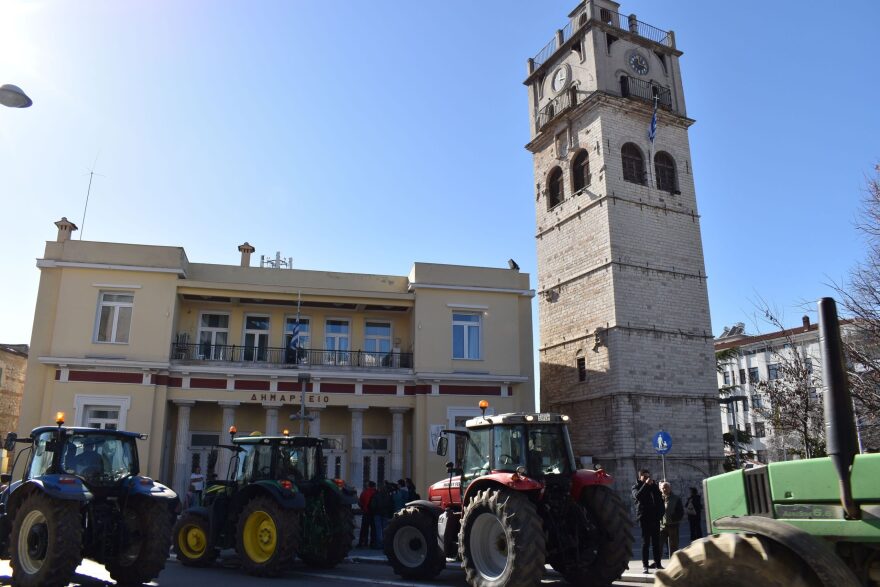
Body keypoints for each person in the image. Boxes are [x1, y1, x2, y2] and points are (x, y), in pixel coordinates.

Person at [632, 468, 664, 574]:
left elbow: (660, 500)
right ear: (640, 477)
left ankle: (658, 564)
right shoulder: (636, 486)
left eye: (648, 476)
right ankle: (645, 566)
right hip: (644, 518)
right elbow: (638, 497)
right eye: (644, 477)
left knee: (656, 542)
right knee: (646, 543)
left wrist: (660, 514)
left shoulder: (653, 486)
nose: (647, 479)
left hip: (655, 518)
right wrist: (645, 485)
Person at [659, 481, 684, 556]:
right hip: (661, 526)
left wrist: (674, 518)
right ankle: (658, 563)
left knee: (673, 546)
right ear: (660, 489)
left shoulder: (676, 498)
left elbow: (680, 512)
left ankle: (673, 562)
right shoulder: (658, 498)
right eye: (663, 488)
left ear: (670, 488)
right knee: (658, 544)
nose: (664, 489)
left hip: (673, 525)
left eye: (666, 487)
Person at [370, 483, 393, 548]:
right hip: (385, 514)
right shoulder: (388, 496)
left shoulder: (376, 496)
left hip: (377, 514)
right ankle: (385, 543)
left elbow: (373, 505)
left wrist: (374, 511)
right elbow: (390, 505)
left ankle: (379, 544)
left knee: (378, 529)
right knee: (385, 529)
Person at [358, 481, 377, 548]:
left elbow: (360, 501)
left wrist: (363, 508)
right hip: (374, 513)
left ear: (368, 485)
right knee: (373, 529)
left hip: (366, 512)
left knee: (364, 529)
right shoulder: (376, 493)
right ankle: (373, 543)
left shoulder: (364, 492)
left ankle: (363, 542)